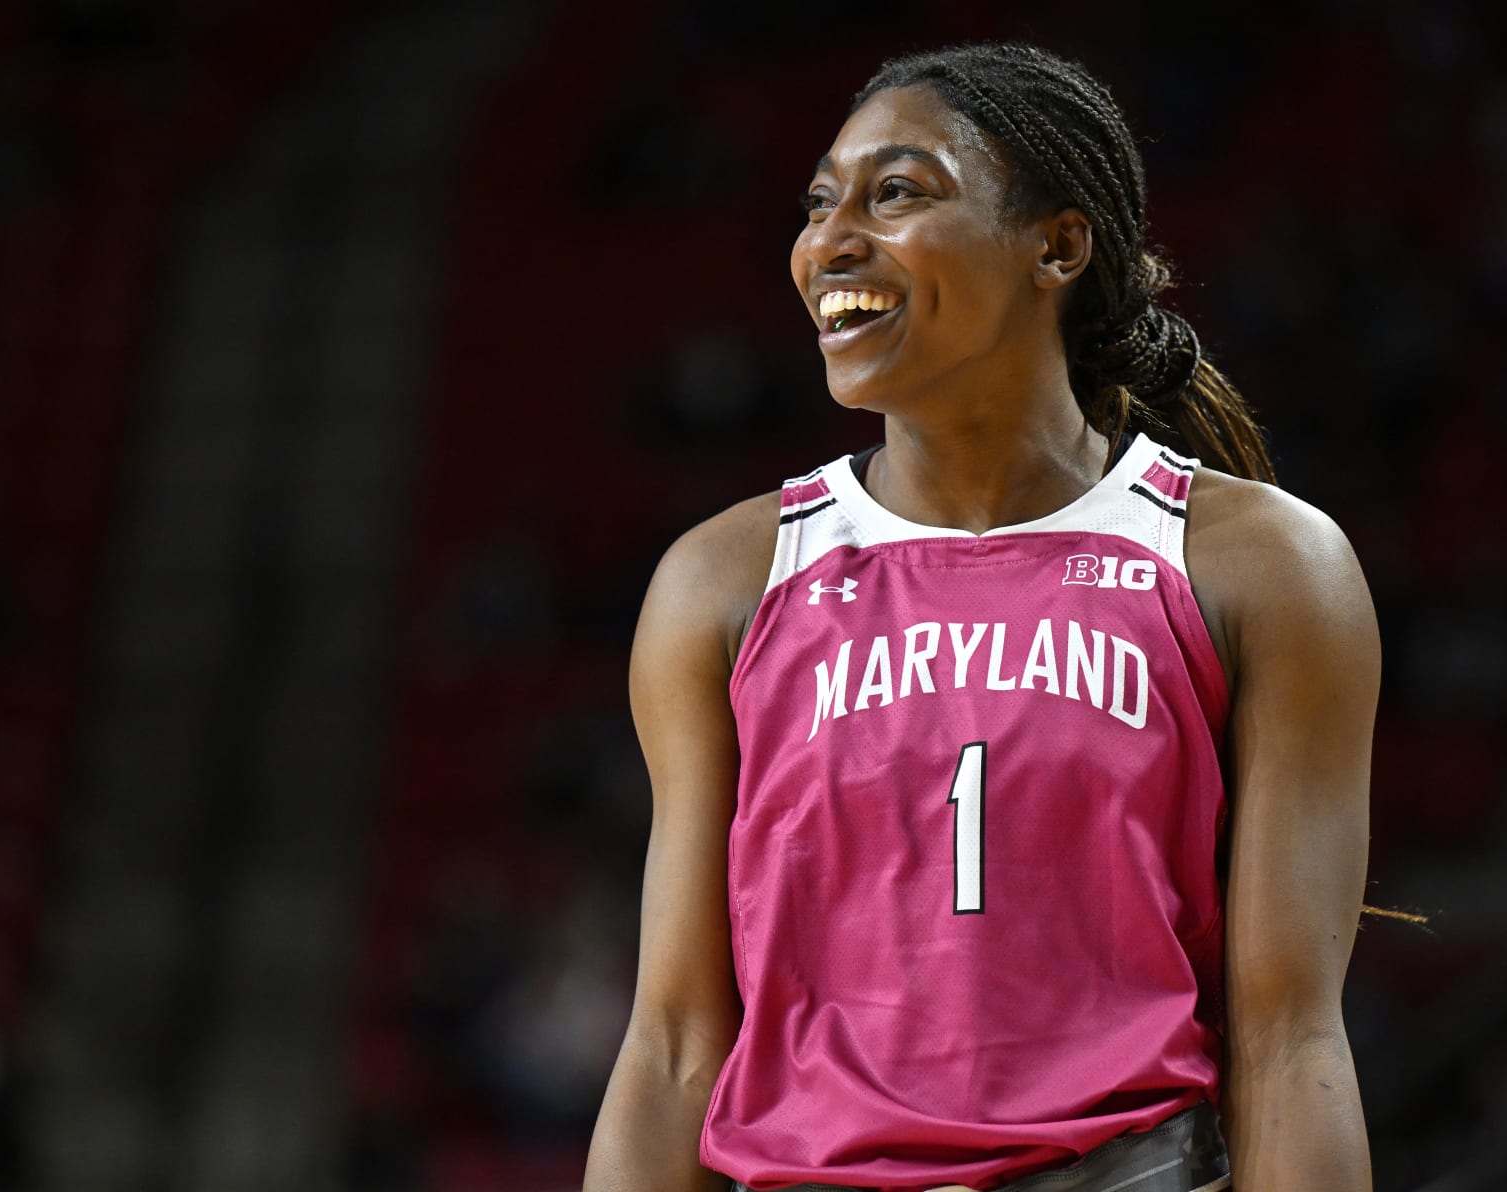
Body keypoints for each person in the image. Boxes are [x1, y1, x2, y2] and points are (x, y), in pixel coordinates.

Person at [585, 43, 1378, 1192]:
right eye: (818, 204)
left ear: (1056, 245)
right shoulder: (725, 579)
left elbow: (1290, 1036)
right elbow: (670, 1047)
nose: (829, 243)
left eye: (896, 192)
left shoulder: (1259, 564)